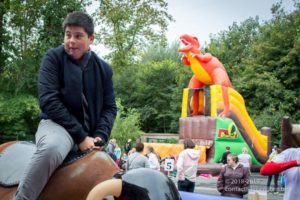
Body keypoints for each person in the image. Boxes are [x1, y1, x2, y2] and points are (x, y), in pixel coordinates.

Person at [14, 11, 117, 200]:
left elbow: (110, 107)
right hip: (57, 126)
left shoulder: (104, 69)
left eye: (78, 36)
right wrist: (80, 136)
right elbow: (48, 100)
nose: (71, 41)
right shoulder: (53, 58)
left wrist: (100, 135)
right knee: (52, 148)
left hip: (91, 134)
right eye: (68, 35)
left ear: (91, 38)